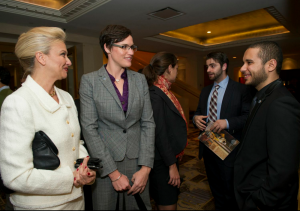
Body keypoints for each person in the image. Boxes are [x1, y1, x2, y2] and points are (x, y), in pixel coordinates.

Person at [0, 27, 96, 210]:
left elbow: (75, 142)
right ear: (41, 58)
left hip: (76, 202)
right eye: (62, 54)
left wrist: (86, 167)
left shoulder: (66, 97)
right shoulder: (18, 102)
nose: (69, 61)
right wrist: (72, 178)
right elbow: (16, 176)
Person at [79, 25, 155, 210]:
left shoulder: (139, 80)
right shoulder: (90, 81)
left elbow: (148, 124)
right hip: (106, 164)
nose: (130, 52)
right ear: (107, 47)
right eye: (124, 47)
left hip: (138, 162)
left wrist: (145, 168)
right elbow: (89, 129)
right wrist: (113, 173)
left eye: (132, 47)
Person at [234, 41, 300, 210]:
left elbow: (283, 171)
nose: (242, 68)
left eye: (249, 62)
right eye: (243, 62)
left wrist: (257, 202)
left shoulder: (281, 103)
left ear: (271, 65)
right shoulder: (262, 96)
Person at [193, 52, 252, 210]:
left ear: (224, 66)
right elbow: (198, 112)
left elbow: (248, 117)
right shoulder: (206, 91)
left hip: (229, 146)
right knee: (216, 190)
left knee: (230, 191)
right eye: (207, 67)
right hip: (208, 143)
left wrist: (226, 122)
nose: (208, 70)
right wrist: (195, 119)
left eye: (213, 66)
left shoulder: (241, 89)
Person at [142, 52, 187, 210]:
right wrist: (172, 165)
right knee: (167, 204)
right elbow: (159, 134)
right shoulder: (156, 94)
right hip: (162, 163)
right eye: (176, 68)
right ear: (169, 68)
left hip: (167, 159)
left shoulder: (164, 91)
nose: (177, 71)